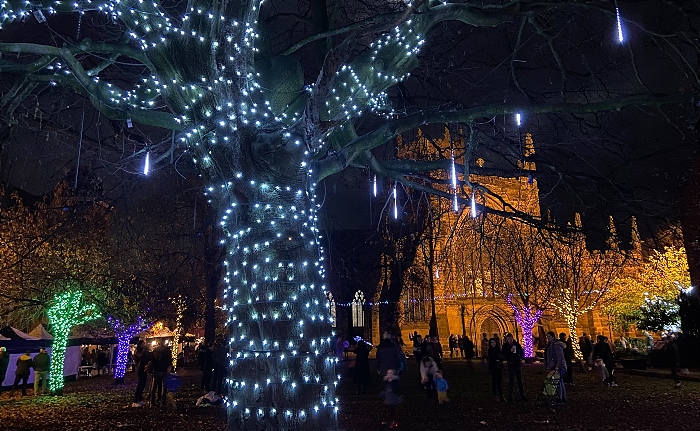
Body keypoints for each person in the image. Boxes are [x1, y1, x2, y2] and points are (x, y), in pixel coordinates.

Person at [502, 333, 526, 401]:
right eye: (508, 339)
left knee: (520, 380)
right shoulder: (505, 346)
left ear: (512, 338)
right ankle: (510, 396)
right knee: (511, 380)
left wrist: (522, 358)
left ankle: (522, 395)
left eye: (510, 338)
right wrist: (509, 352)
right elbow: (504, 354)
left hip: (517, 363)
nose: (509, 340)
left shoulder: (516, 344)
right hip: (511, 364)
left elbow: (521, 352)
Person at [544, 331, 567, 403]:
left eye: (549, 337)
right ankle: (562, 397)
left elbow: (560, 357)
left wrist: (557, 366)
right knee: (560, 381)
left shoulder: (556, 346)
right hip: (556, 365)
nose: (548, 338)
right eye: (547, 337)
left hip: (559, 366)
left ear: (553, 337)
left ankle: (560, 397)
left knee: (558, 382)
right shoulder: (551, 345)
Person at [132, 340, 151, 406]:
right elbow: (139, 358)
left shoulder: (141, 351)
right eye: (143, 344)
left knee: (142, 384)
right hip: (140, 369)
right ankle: (137, 399)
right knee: (140, 384)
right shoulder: (138, 352)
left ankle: (139, 398)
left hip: (143, 368)